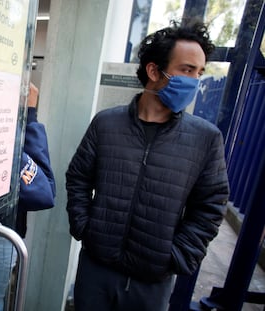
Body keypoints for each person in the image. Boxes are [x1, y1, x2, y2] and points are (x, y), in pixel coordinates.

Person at [65, 19, 229, 311]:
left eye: (200, 72)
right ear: (154, 70)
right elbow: (78, 178)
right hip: (96, 271)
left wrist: (176, 255)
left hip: (151, 284)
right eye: (187, 70)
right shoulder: (106, 123)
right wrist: (84, 227)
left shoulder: (205, 139)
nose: (194, 81)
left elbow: (210, 205)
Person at [0, 82, 56, 311]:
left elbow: (43, 191)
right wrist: (30, 113)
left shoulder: (9, 127)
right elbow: (46, 190)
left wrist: (28, 115)